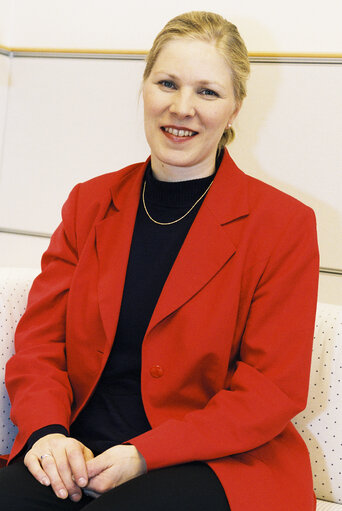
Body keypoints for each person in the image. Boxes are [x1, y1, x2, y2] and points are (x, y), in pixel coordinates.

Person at [0, 10, 319, 511]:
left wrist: (143, 454)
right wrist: (46, 432)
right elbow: (41, 342)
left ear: (235, 108)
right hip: (78, 446)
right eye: (167, 83)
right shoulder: (89, 202)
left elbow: (269, 390)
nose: (182, 107)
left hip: (211, 460)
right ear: (144, 87)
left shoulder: (284, 225)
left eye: (208, 92)